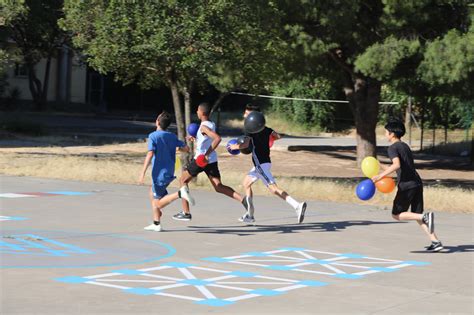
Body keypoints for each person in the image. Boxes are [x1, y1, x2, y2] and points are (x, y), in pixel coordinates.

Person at [372, 120, 443, 252]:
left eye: (386, 132)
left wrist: (379, 176)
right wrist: (378, 165)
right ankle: (435, 241)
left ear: (392, 134)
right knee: (416, 214)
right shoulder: (404, 146)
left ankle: (425, 217)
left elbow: (396, 165)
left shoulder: (392, 148)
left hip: (406, 186)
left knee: (396, 214)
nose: (385, 134)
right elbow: (398, 167)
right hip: (416, 183)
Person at [229, 104, 307, 224]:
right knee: (246, 183)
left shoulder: (250, 131)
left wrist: (235, 146)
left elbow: (245, 145)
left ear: (252, 116)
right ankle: (250, 215)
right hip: (262, 163)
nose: (244, 115)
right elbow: (277, 136)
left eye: (246, 113)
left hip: (260, 164)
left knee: (273, 188)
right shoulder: (266, 129)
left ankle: (297, 205)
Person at [172, 103, 248, 221]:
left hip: (201, 159)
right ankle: (243, 200)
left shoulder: (203, 127)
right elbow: (207, 138)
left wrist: (206, 154)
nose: (196, 112)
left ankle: (186, 213)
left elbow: (217, 138)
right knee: (218, 186)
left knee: (182, 180)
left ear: (201, 113)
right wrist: (196, 138)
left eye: (197, 110)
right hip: (211, 160)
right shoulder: (211, 124)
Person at [138, 111, 194, 232]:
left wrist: (142, 172)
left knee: (157, 203)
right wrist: (178, 147)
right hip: (169, 171)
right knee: (152, 193)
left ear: (157, 122)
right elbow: (186, 149)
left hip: (158, 174)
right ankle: (156, 222)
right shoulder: (172, 136)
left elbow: (150, 153)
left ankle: (180, 194)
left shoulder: (153, 136)